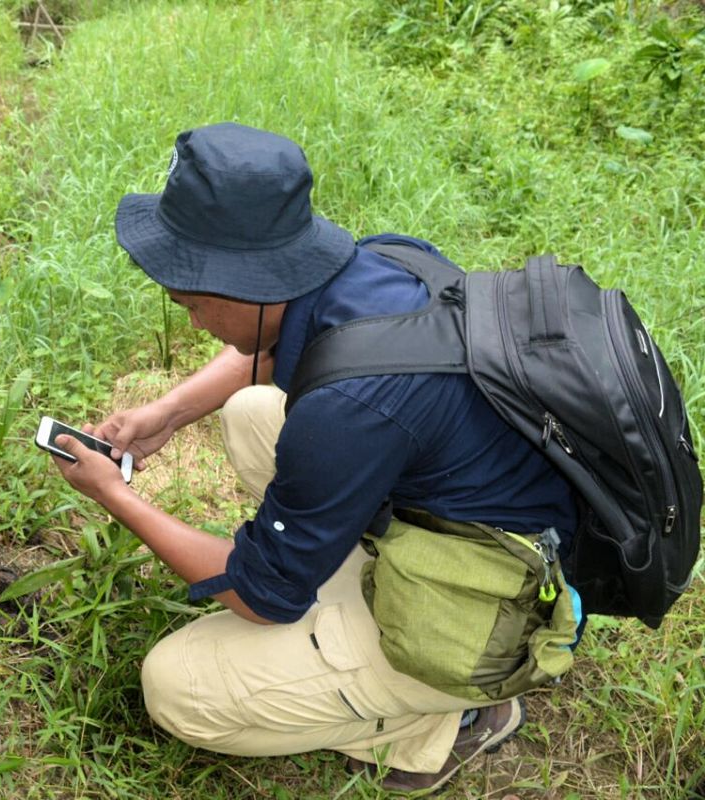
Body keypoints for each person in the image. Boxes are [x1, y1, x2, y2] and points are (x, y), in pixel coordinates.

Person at [47, 122, 580, 795]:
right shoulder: (383, 261)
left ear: (241, 286)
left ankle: (452, 711)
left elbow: (259, 595)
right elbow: (270, 351)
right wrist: (168, 414)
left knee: (179, 687)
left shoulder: (348, 412)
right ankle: (363, 583)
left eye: (191, 305)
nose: (192, 324)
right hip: (487, 503)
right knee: (251, 414)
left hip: (490, 593)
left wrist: (114, 496)